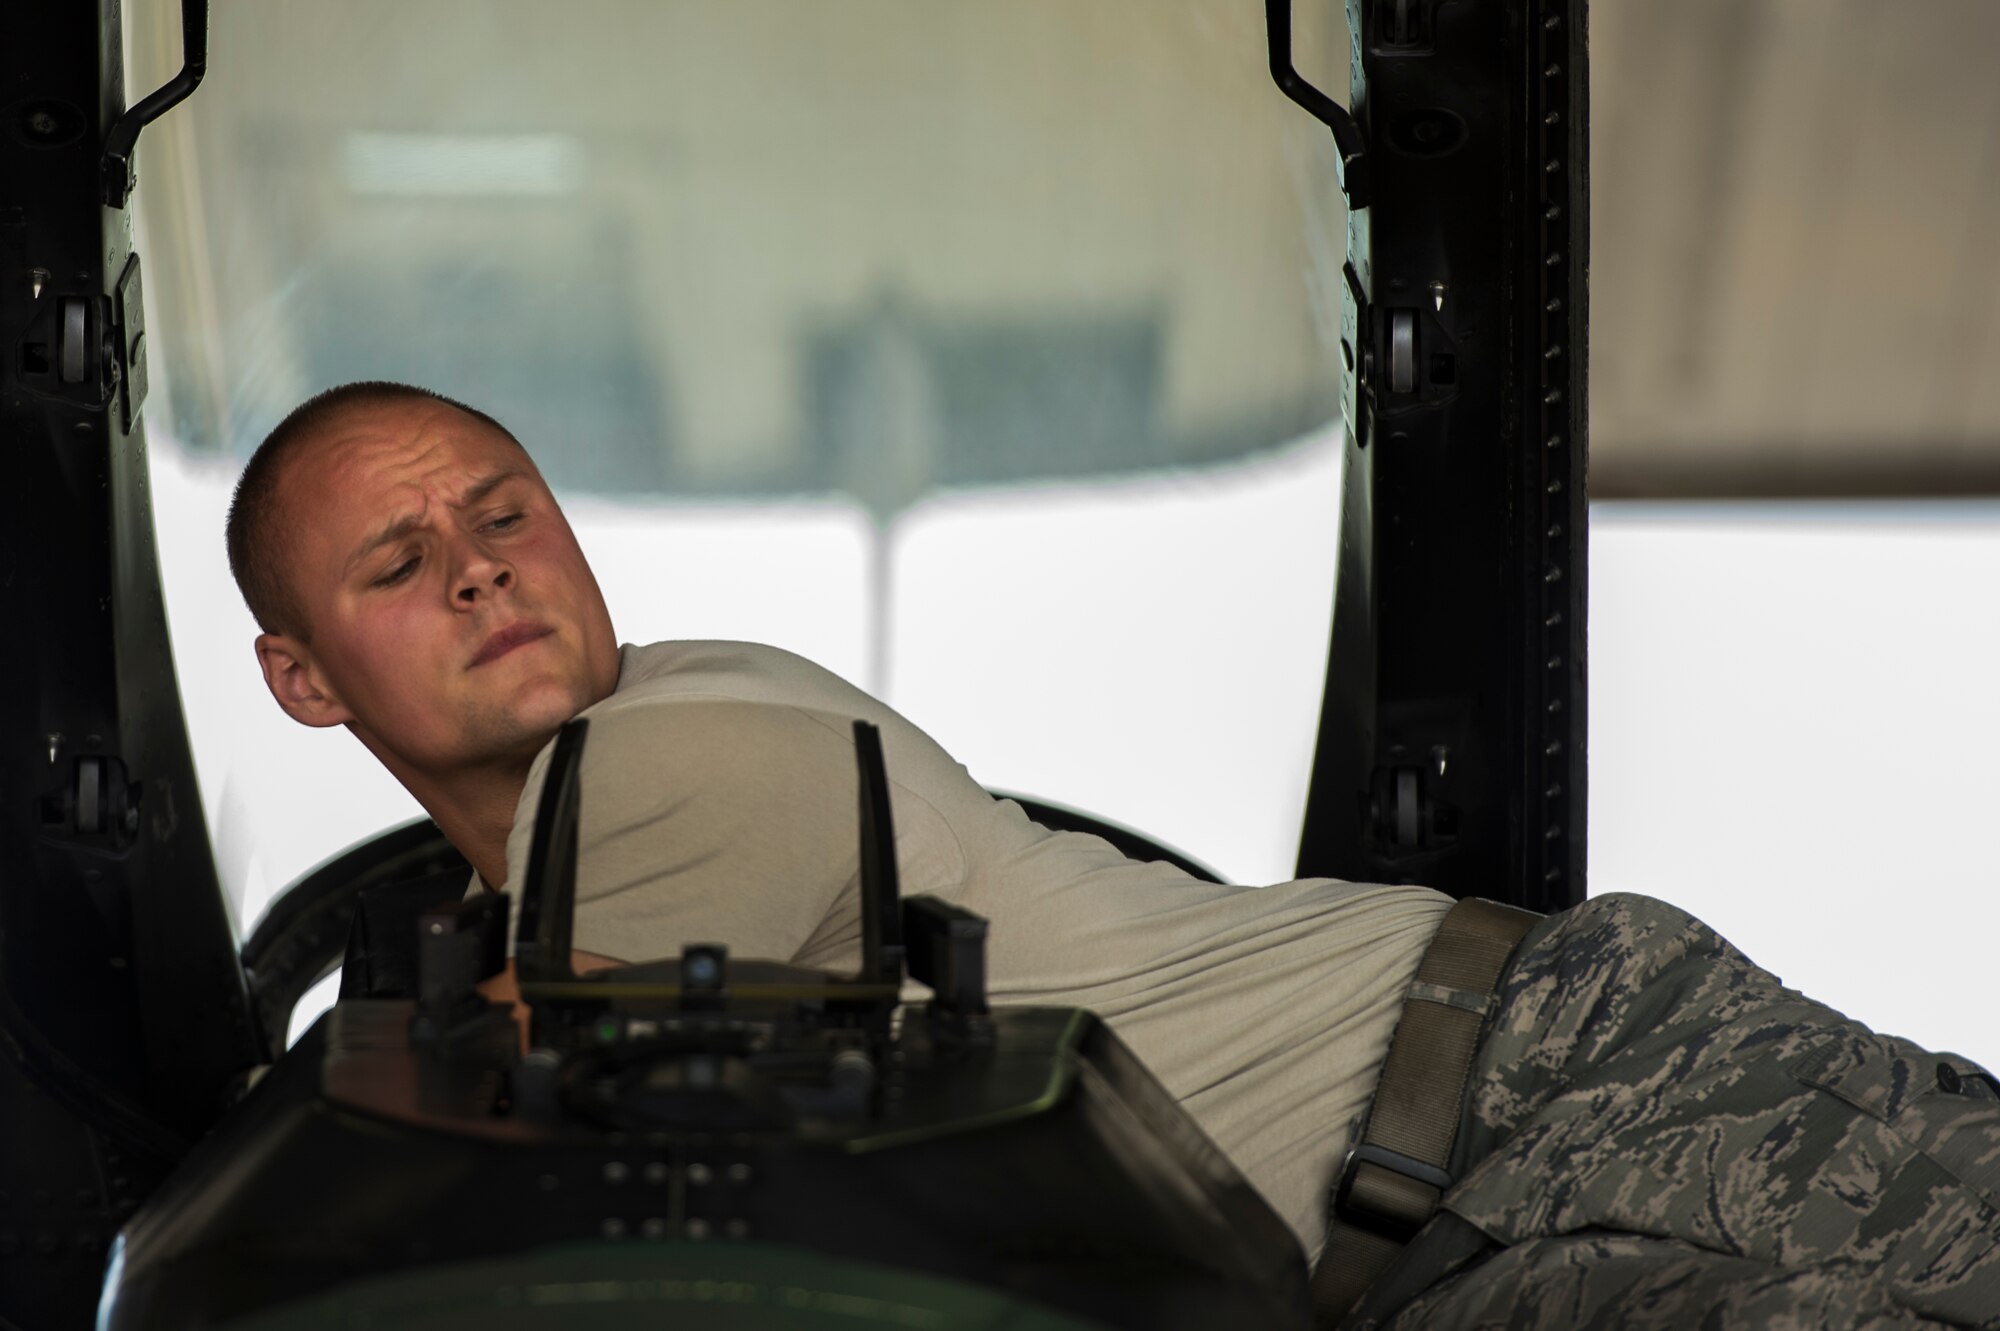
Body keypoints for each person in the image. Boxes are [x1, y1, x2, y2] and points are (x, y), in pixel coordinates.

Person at [233, 381, 2000, 1330]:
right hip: (1405, 1267)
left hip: (1552, 1088)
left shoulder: (674, 747)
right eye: (395, 565)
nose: (475, 566)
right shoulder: (516, 898)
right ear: (300, 680)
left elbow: (558, 1178)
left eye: (502, 511)